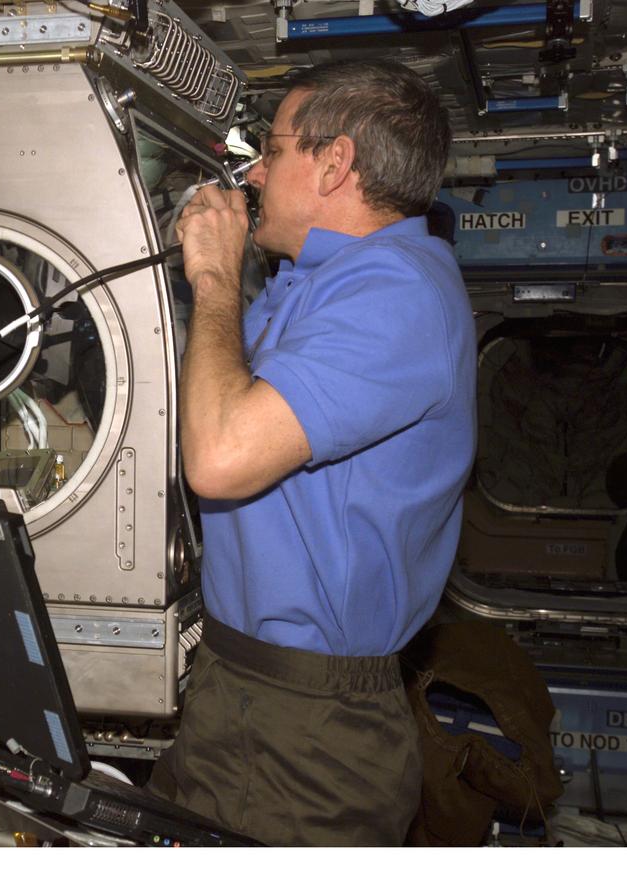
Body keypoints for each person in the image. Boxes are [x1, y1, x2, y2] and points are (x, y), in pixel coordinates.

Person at [147, 59, 477, 845]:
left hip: (309, 722)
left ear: (336, 163)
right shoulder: (312, 286)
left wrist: (218, 278)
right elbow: (214, 404)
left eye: (272, 147)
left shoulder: (398, 294)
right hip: (238, 684)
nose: (255, 169)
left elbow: (221, 456)